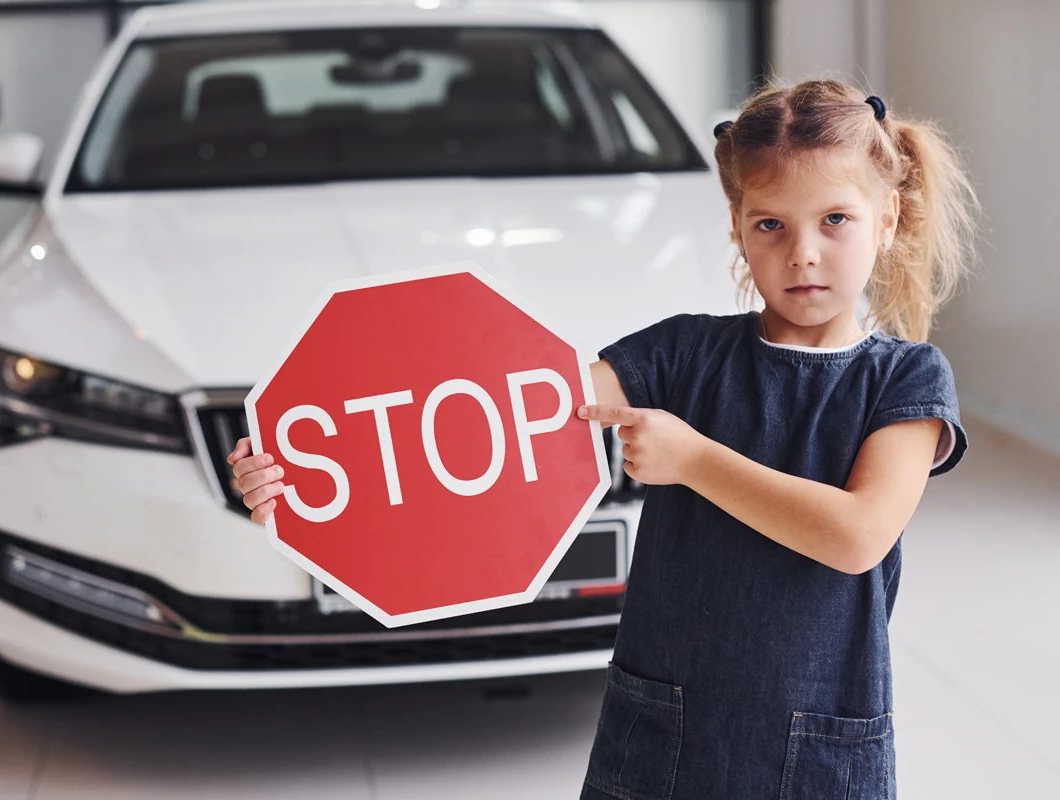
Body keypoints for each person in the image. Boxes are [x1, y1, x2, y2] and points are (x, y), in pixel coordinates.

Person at [227, 77, 980, 799]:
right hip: (663, 733)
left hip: (816, 747)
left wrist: (693, 460)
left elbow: (857, 536)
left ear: (887, 221)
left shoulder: (907, 380)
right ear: (738, 229)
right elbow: (507, 419)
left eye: (835, 220)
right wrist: (305, 479)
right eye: (770, 224)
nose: (803, 252)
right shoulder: (682, 352)